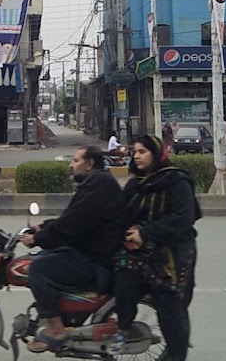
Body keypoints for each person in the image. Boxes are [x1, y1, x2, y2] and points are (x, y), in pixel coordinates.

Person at [20, 146, 124, 353]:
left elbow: (74, 224)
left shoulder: (100, 185)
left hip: (95, 260)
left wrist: (39, 238)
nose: (71, 164)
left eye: (76, 161)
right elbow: (72, 218)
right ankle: (66, 316)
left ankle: (56, 329)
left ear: (89, 164)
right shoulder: (96, 183)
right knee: (43, 257)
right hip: (90, 253)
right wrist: (45, 227)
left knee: (37, 268)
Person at [110, 135, 202, 360]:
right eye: (135, 152)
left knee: (170, 305)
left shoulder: (176, 181)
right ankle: (123, 328)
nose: (137, 156)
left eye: (143, 152)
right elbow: (120, 216)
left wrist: (145, 232)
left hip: (172, 251)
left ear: (156, 154)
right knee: (123, 281)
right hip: (140, 251)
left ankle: (176, 355)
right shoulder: (135, 184)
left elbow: (183, 218)